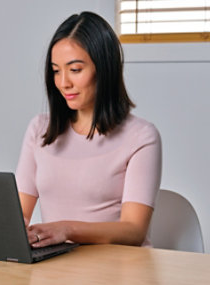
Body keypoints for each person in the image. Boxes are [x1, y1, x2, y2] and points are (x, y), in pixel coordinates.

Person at [15, 11, 162, 248]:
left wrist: (67, 229)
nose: (64, 83)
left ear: (104, 69)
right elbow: (18, 215)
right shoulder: (39, 129)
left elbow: (133, 230)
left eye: (75, 70)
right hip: (59, 267)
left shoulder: (141, 136)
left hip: (119, 269)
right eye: (56, 70)